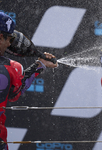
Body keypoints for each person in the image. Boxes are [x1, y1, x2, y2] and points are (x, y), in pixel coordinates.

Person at [0, 12, 58, 150]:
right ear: (1, 37)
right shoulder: (11, 68)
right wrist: (39, 66)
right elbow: (15, 94)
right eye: (10, 38)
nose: (10, 44)